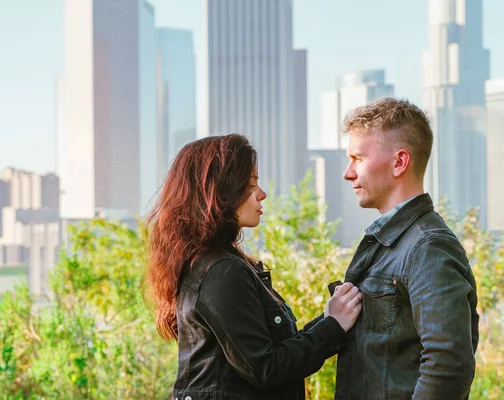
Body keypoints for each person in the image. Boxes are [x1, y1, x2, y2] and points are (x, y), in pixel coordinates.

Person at [146, 134, 363, 400]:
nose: (262, 194)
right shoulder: (220, 271)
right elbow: (266, 369)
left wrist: (331, 320)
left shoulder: (216, 263)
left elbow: (272, 350)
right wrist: (333, 327)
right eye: (250, 185)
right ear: (221, 191)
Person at [335, 97, 479, 399]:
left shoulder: (428, 247)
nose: (348, 172)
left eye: (358, 158)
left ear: (399, 162)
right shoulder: (388, 243)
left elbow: (448, 363)